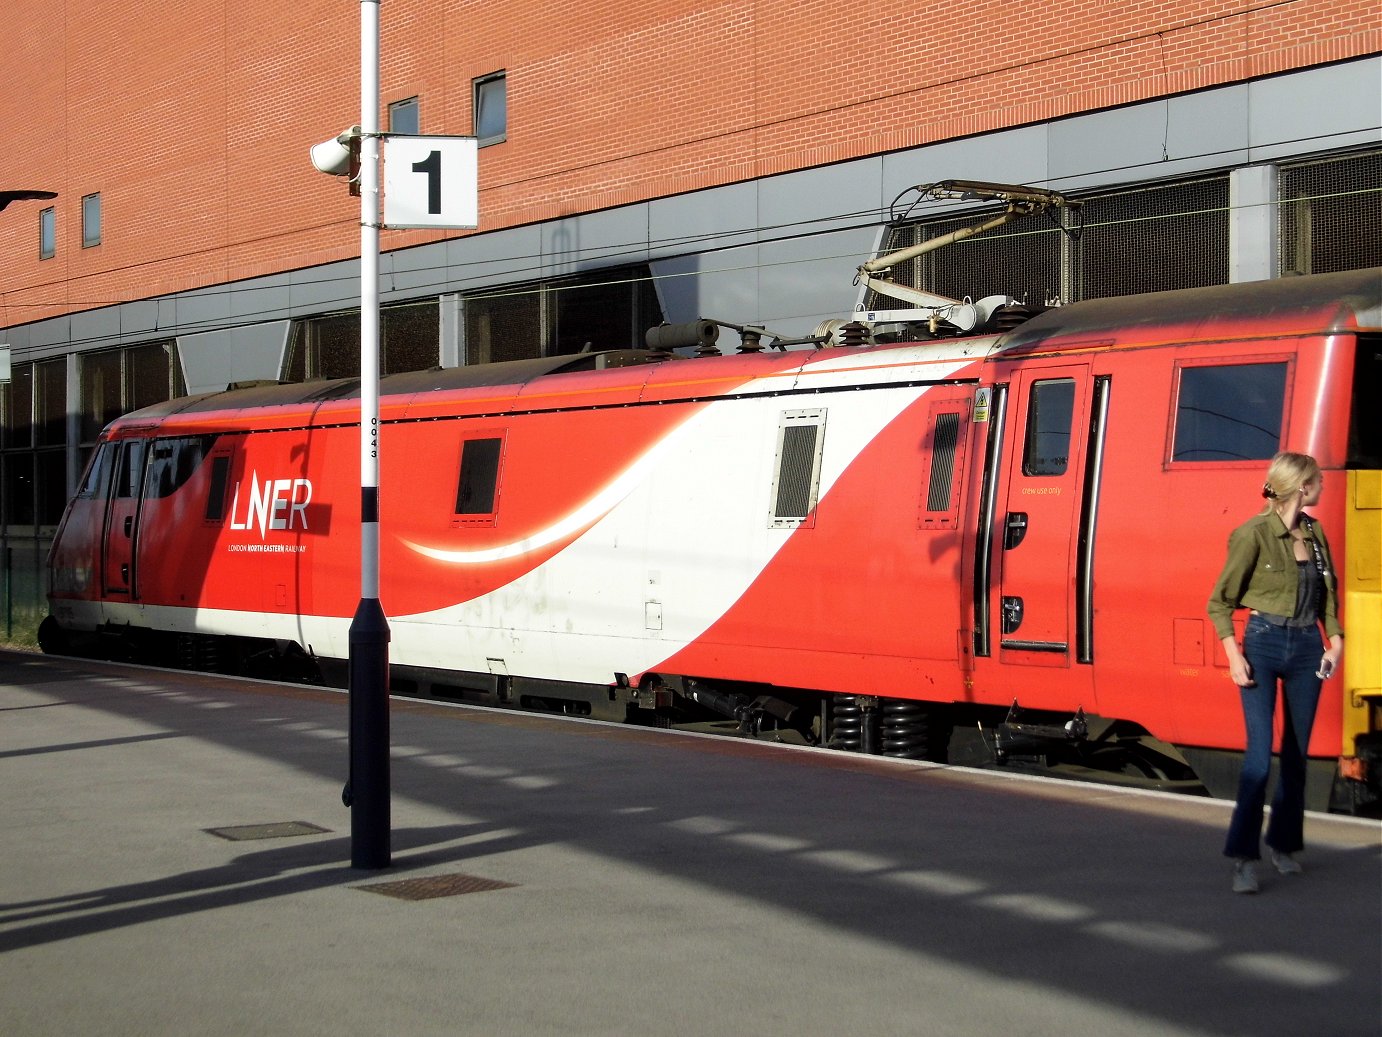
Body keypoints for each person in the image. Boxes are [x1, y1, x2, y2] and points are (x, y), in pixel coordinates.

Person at [1208, 451, 1344, 894]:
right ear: (1302, 487)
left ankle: (1283, 846)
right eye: (1318, 481)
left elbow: (1328, 593)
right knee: (1259, 757)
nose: (1323, 486)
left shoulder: (1314, 533)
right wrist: (1234, 655)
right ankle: (1243, 859)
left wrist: (1335, 638)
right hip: (1263, 643)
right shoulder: (1252, 534)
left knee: (1297, 756)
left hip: (1307, 647)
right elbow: (1220, 602)